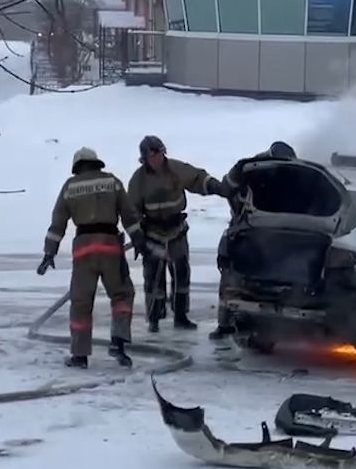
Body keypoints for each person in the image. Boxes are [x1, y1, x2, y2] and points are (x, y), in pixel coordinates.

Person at [37, 147, 146, 369]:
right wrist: (139, 240)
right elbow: (129, 215)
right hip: (109, 247)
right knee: (122, 294)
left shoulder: (70, 186)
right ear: (96, 163)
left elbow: (58, 222)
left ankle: (79, 355)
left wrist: (50, 252)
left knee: (81, 302)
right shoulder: (112, 182)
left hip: (83, 249)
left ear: (77, 167)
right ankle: (119, 342)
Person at [127, 135, 232, 332]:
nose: (156, 158)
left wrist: (217, 187)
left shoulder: (175, 169)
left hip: (176, 232)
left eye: (158, 153)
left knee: (181, 273)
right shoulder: (138, 180)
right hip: (153, 234)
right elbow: (130, 212)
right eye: (151, 155)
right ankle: (155, 318)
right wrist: (138, 237)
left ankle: (181, 315)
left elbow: (197, 178)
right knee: (153, 278)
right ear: (144, 159)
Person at [208, 140, 297, 340]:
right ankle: (225, 324)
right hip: (245, 231)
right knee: (231, 277)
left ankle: (245, 323)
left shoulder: (284, 177)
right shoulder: (247, 170)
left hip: (268, 234)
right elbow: (225, 188)